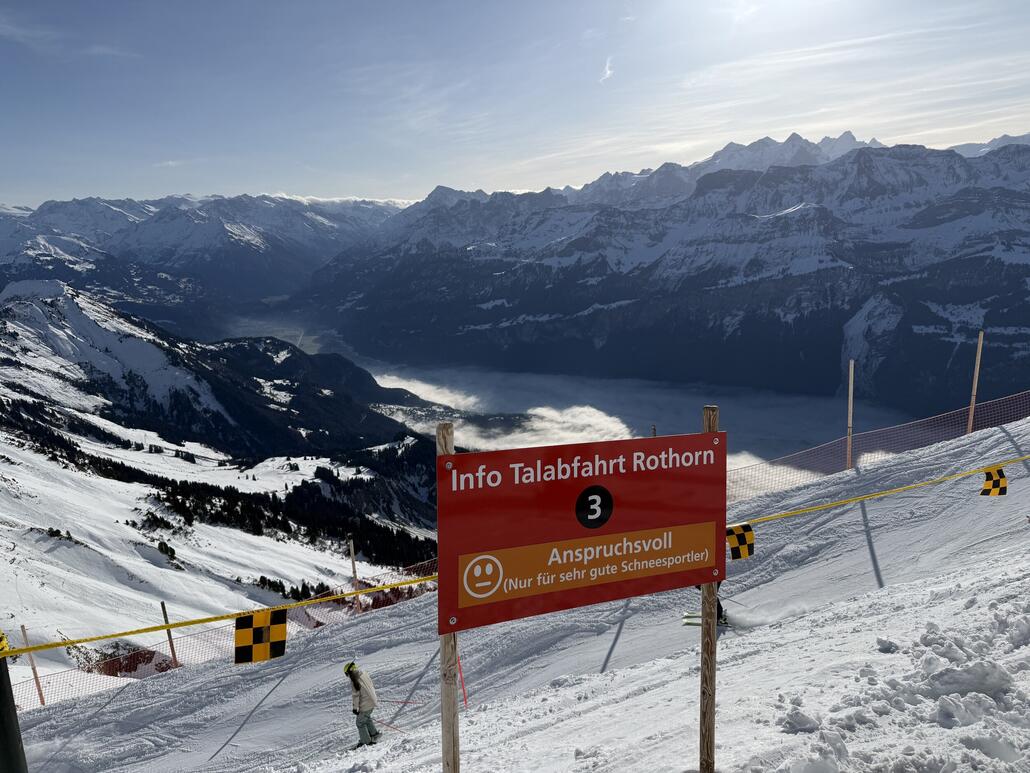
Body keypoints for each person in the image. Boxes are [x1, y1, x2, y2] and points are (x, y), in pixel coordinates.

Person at [345, 661, 380, 748]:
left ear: (350, 672)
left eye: (347, 674)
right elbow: (370, 685)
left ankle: (366, 742)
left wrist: (355, 708)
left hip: (366, 703)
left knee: (360, 722)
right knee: (366, 718)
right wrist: (372, 696)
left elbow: (356, 696)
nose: (348, 676)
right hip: (372, 700)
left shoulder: (354, 680)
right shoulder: (364, 673)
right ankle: (374, 734)